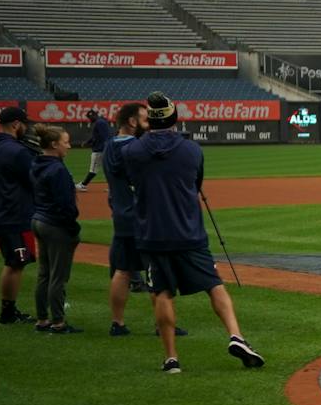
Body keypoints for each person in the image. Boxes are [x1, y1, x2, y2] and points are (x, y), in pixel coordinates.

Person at [118, 93, 263, 373]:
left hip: (153, 233)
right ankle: (236, 335)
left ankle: (171, 357)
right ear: (174, 118)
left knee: (162, 292)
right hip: (188, 231)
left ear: (149, 121)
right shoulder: (191, 150)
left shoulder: (132, 152)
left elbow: (131, 179)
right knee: (214, 285)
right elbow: (195, 184)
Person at [100, 100, 174, 337]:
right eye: (145, 120)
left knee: (122, 271)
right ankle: (161, 325)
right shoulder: (138, 148)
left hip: (122, 216)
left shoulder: (109, 145)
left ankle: (117, 323)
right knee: (157, 270)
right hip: (144, 218)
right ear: (132, 122)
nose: (149, 124)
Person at [0, 105, 38, 325]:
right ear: (16, 124)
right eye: (24, 124)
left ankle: (8, 311)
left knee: (14, 261)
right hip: (14, 214)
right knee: (16, 262)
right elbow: (34, 179)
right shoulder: (16, 151)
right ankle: (7, 314)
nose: (27, 128)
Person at [29, 125, 83, 333]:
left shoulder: (36, 163)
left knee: (44, 273)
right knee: (58, 276)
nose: (68, 146)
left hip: (39, 219)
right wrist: (73, 227)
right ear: (54, 144)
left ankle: (42, 319)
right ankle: (58, 322)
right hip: (55, 224)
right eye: (65, 142)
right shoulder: (57, 169)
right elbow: (65, 205)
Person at [79, 106, 113, 187]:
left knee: (93, 169)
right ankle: (112, 186)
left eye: (90, 117)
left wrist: (106, 148)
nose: (89, 119)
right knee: (107, 168)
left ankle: (83, 185)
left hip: (99, 150)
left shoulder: (99, 123)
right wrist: (87, 142)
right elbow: (96, 136)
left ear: (93, 116)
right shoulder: (100, 121)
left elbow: (104, 137)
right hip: (102, 148)